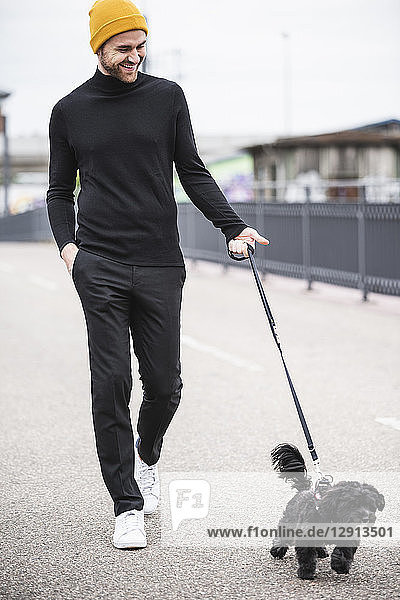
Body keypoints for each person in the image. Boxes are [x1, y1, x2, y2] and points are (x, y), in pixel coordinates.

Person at [45, 0, 269, 550]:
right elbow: (57, 190)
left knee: (165, 385)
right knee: (111, 382)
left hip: (160, 263)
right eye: (123, 48)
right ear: (99, 47)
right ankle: (126, 503)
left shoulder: (167, 97)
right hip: (98, 262)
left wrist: (231, 226)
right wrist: (69, 249)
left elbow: (191, 168)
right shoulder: (68, 111)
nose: (134, 57)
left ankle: (147, 451)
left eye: (140, 46)